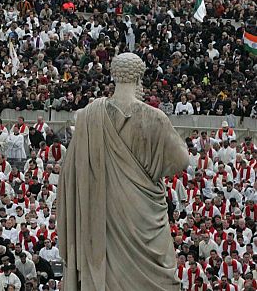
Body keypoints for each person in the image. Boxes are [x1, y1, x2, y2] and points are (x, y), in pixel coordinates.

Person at [57, 53, 189, 290]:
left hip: (102, 213)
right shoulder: (154, 117)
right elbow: (181, 160)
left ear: (113, 76)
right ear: (139, 77)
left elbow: (69, 175)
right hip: (143, 214)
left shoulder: (88, 116)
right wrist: (151, 168)